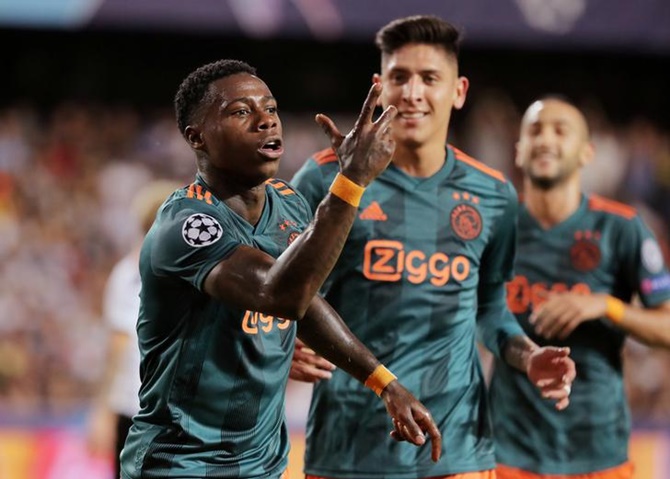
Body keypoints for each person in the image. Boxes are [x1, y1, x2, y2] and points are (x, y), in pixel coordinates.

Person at [119, 59, 442, 479]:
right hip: (182, 463)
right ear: (196, 137)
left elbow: (305, 300)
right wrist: (352, 182)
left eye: (270, 109)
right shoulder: (187, 225)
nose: (265, 122)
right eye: (240, 112)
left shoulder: (288, 203)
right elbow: (280, 295)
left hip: (263, 465)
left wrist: (384, 382)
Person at [289, 15, 575, 479]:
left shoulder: (494, 194)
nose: (412, 92)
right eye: (399, 77)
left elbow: (491, 309)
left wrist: (528, 354)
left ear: (458, 91)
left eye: (429, 78)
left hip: (457, 448)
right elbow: (272, 289)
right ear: (380, 88)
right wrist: (282, 340)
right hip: (348, 449)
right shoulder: (326, 177)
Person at [490, 96, 670, 479]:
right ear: (519, 150)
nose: (546, 139)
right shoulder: (494, 228)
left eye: (561, 130)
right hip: (508, 452)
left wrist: (606, 306)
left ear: (587, 152)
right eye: (535, 130)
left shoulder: (622, 228)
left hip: (599, 453)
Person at [86, 180, 180, 478]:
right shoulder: (130, 274)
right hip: (156, 410)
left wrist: (103, 410)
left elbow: (118, 348)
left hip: (142, 410)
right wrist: (103, 411)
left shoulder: (126, 274)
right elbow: (118, 347)